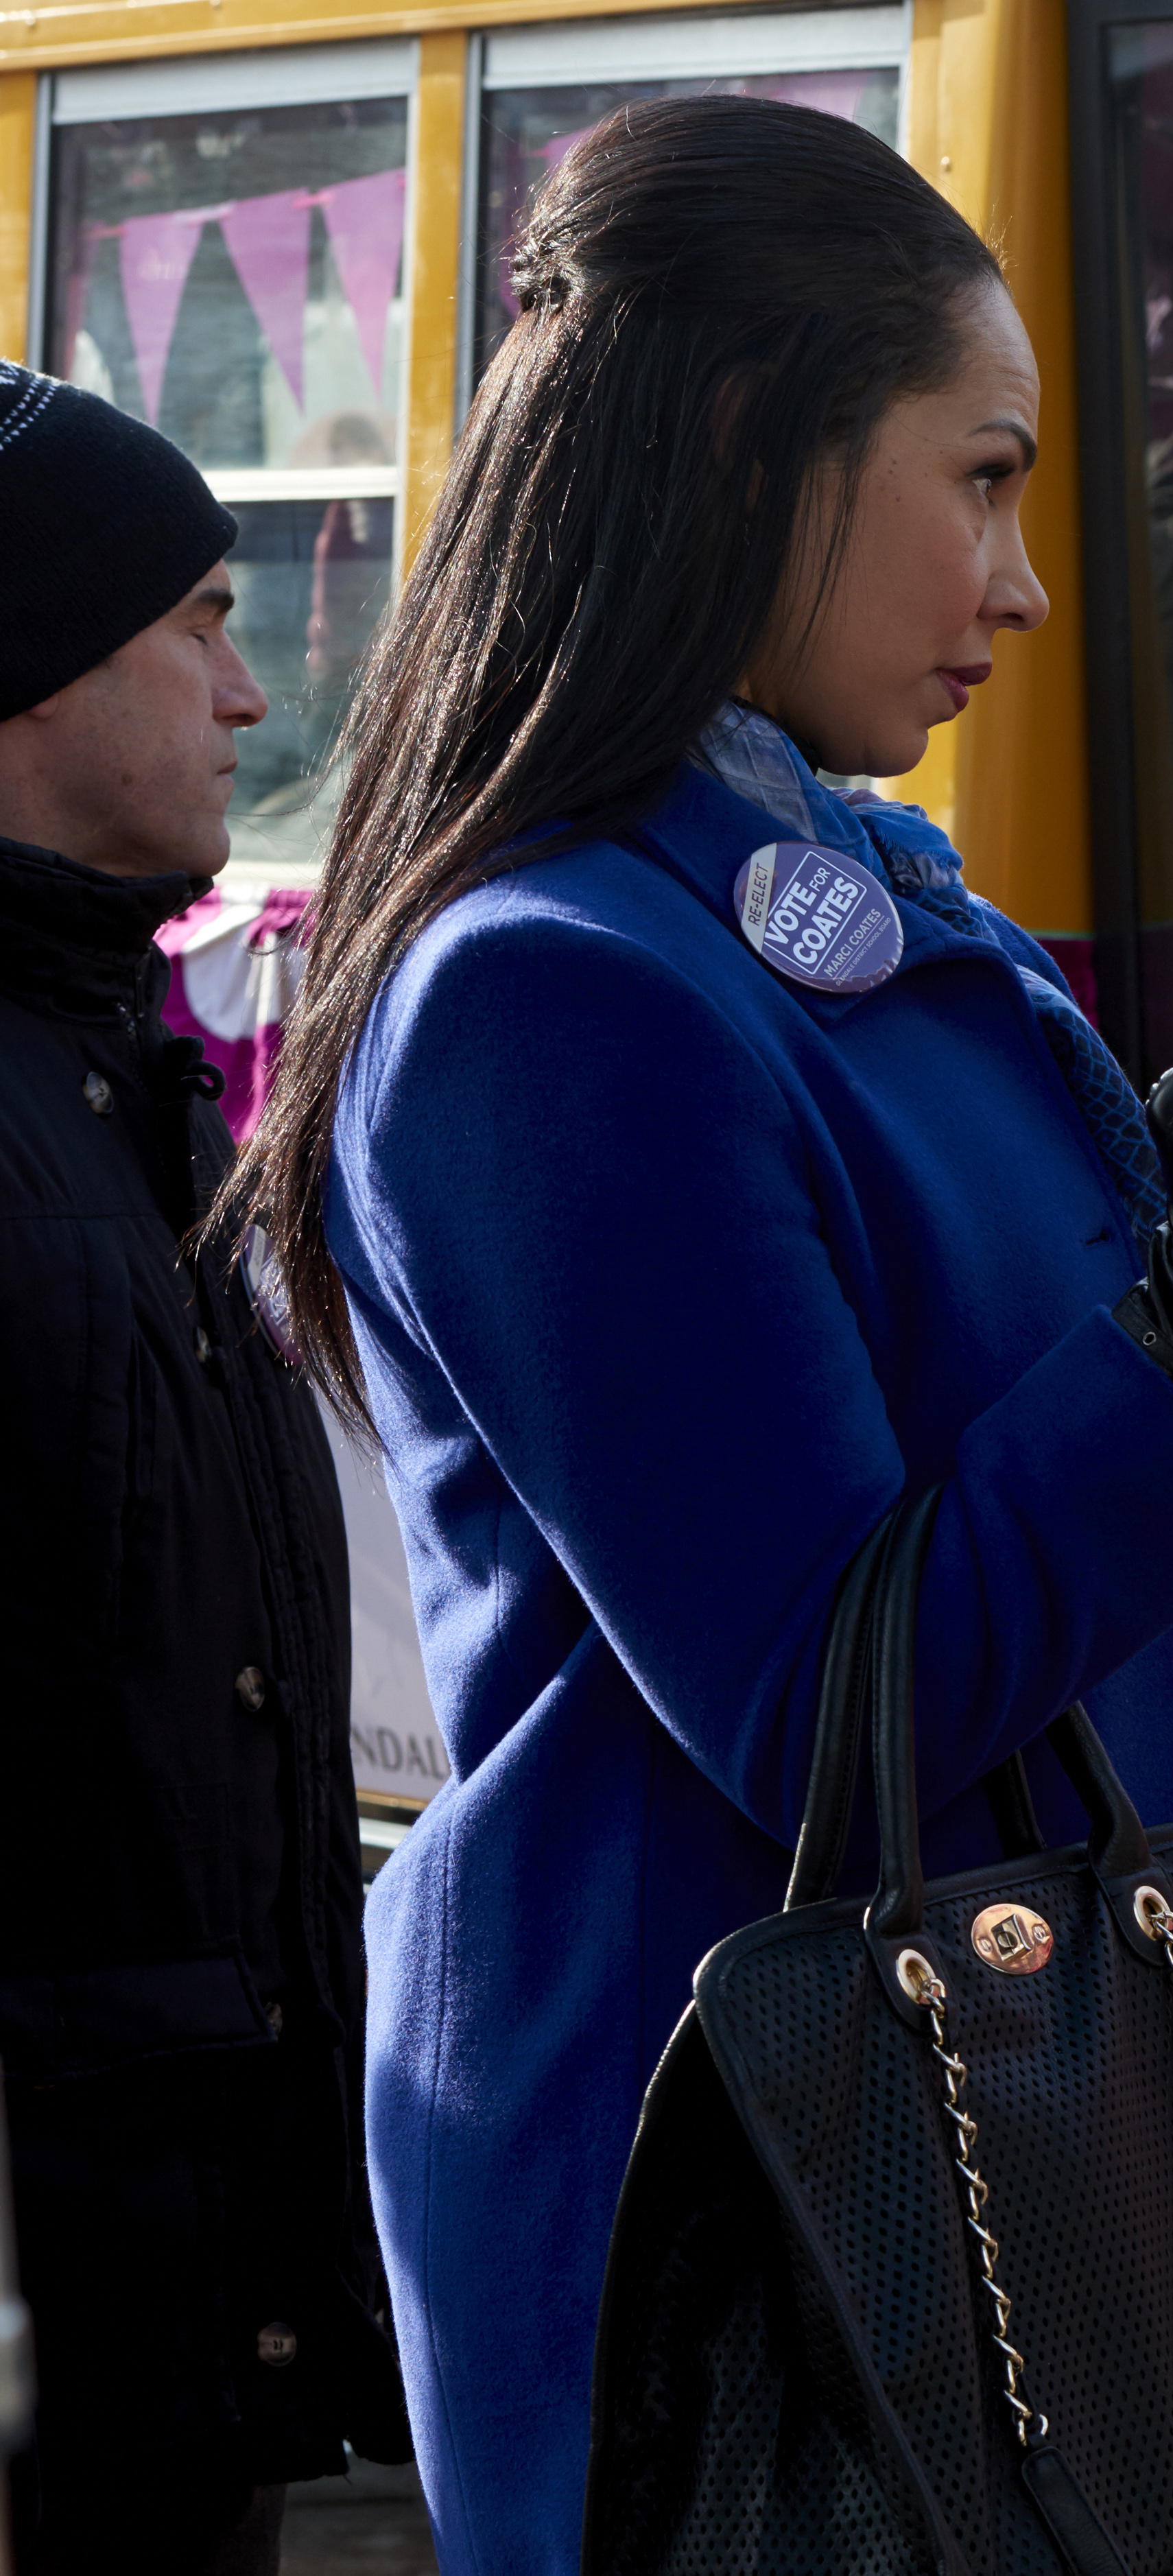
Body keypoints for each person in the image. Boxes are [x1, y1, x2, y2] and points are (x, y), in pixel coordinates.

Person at [218, 99, 1173, 2575]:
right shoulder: (555, 993)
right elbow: (825, 1705)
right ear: (756, 451)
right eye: (977, 480)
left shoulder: (804, 896)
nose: (1027, 581)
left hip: (1037, 2175)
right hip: (810, 2267)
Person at [0, 359, 407, 2572]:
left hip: (176, 2309)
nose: (254, 699)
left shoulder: (110, 1074)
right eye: (200, 624)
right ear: (31, 665)